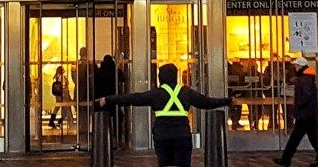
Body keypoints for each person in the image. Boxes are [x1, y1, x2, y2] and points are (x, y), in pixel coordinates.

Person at [96, 61, 229, 167]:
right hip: (182, 135)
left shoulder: (156, 94)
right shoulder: (186, 92)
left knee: (165, 163)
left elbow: (132, 98)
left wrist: (108, 99)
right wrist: (228, 101)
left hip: (162, 135)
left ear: (161, 77)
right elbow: (207, 102)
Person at [272, 56, 318, 167]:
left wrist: (298, 106)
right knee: (312, 138)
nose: (295, 68)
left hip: (304, 114)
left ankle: (285, 160)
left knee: (296, 138)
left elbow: (306, 95)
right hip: (308, 114)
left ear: (300, 67)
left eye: (296, 66)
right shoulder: (307, 78)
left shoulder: (305, 79)